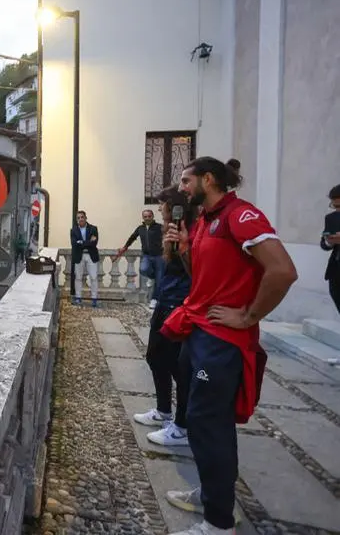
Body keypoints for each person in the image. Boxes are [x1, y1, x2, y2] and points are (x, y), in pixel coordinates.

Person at [161, 158, 298, 535]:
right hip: (200, 330)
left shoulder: (241, 215)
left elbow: (283, 271)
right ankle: (211, 493)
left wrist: (249, 316)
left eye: (187, 181)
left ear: (209, 179)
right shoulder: (205, 220)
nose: (182, 188)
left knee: (211, 425)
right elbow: (202, 280)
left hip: (222, 340)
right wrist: (186, 250)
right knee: (198, 417)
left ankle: (219, 522)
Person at [132, 187, 194, 447]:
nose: (159, 210)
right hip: (165, 301)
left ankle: (181, 426)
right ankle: (163, 411)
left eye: (163, 206)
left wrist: (183, 246)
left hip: (179, 305)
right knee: (155, 358)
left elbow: (196, 271)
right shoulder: (169, 232)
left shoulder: (189, 232)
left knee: (179, 369)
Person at [116, 209, 165, 309]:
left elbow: (166, 237)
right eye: (145, 216)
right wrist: (125, 247)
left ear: (152, 216)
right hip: (147, 255)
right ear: (143, 218)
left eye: (149, 216)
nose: (147, 218)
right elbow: (132, 237)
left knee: (159, 280)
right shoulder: (140, 228)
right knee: (143, 269)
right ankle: (151, 277)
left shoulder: (159, 227)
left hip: (159, 256)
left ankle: (154, 300)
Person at [70, 210, 100, 307]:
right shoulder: (73, 230)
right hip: (79, 256)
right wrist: (87, 242)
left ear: (86, 218)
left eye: (82, 217)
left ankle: (94, 299)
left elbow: (94, 243)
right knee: (78, 277)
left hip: (91, 256)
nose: (80, 219)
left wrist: (81, 242)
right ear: (76, 220)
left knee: (94, 277)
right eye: (78, 218)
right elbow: (74, 244)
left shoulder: (93, 229)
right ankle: (78, 298)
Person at [321, 184, 340, 314]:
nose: (338, 210)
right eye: (335, 206)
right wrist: (330, 242)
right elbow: (324, 243)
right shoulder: (331, 218)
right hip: (336, 271)